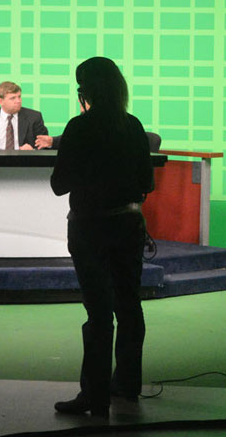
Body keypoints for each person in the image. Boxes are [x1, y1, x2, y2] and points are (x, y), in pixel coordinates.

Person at [49, 57, 154, 417]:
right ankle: (127, 384)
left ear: (86, 92)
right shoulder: (133, 126)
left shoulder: (79, 128)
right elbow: (147, 184)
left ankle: (94, 396)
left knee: (98, 313)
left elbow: (58, 185)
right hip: (128, 227)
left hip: (88, 229)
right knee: (128, 306)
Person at [0, 81, 53, 150]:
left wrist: (33, 149)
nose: (18, 101)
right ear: (1, 101)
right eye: (13, 98)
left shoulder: (34, 117)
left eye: (19, 97)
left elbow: (44, 144)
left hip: (24, 163)